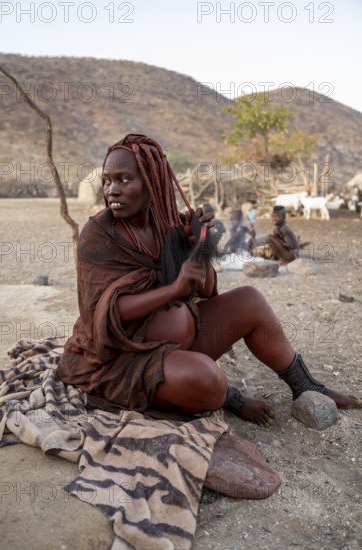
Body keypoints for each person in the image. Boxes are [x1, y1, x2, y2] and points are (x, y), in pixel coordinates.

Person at [57, 134, 362, 427]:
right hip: (126, 359)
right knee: (207, 380)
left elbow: (206, 291)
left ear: (151, 183)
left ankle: (307, 386)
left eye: (124, 179)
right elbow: (104, 315)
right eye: (108, 181)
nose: (112, 190)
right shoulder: (98, 235)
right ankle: (230, 398)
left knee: (250, 299)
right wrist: (171, 290)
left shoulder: (169, 223)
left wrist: (196, 245)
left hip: (186, 339)